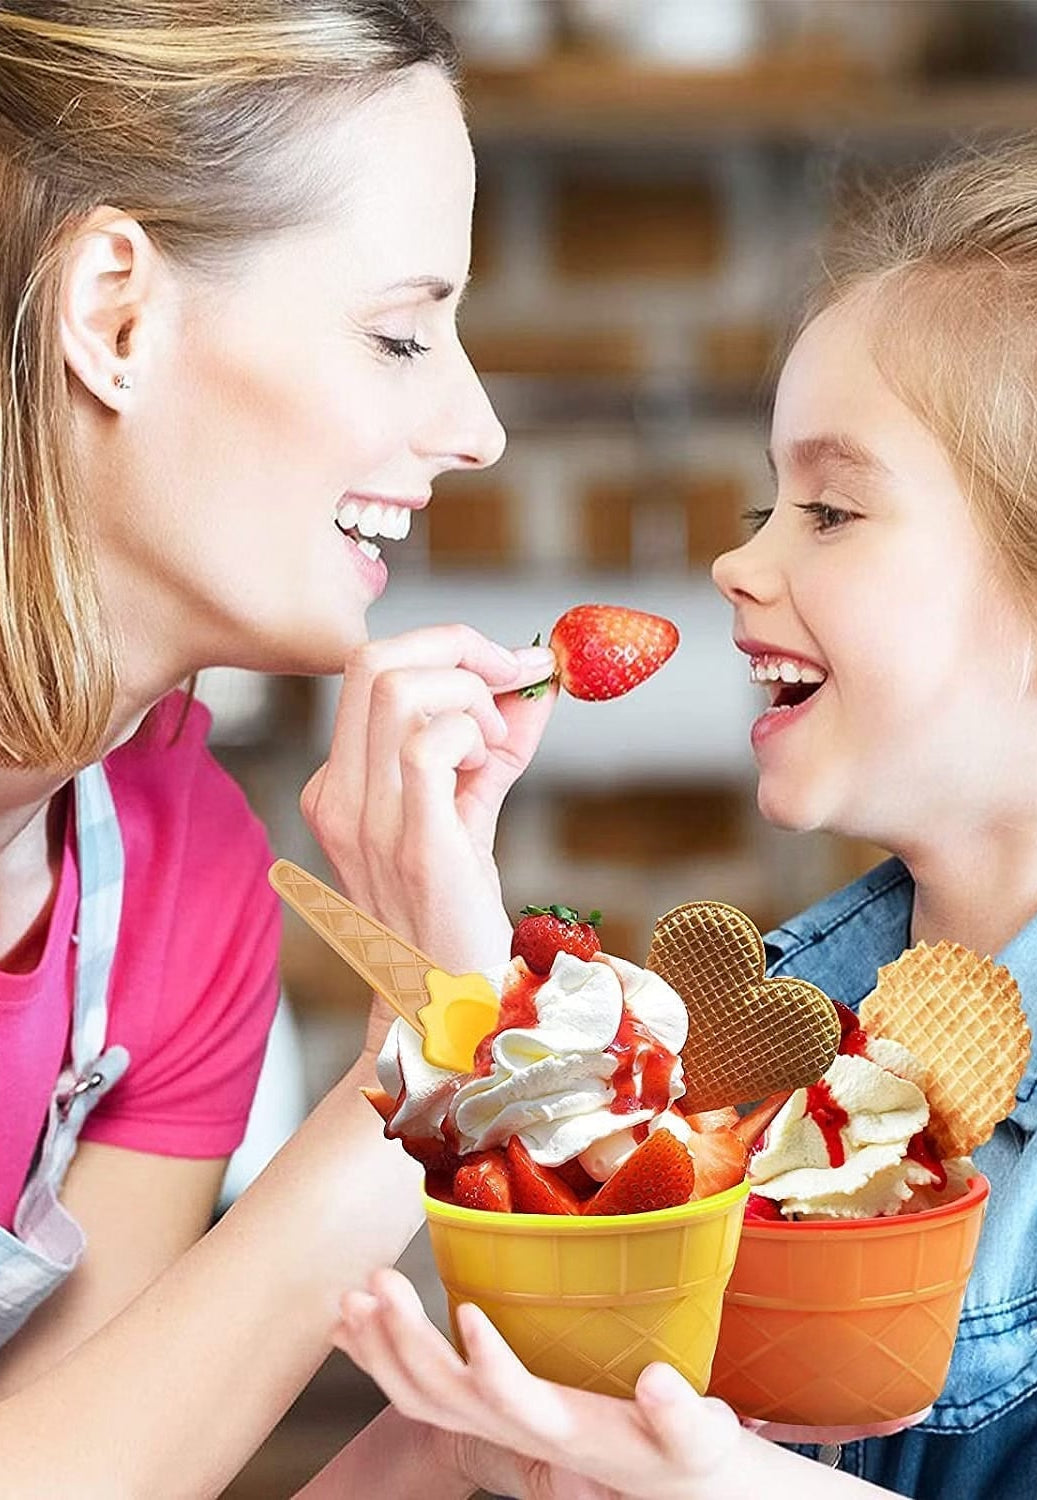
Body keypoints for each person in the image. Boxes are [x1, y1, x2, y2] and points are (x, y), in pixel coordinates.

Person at [334, 133, 1037, 1499]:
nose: (734, 558)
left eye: (828, 510)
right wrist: (457, 952)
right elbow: (541, 1380)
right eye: (771, 500)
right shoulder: (764, 1024)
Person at [0, 4, 559, 1495]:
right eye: (397, 333)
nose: (475, 424)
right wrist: (426, 1075)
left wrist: (501, 1436)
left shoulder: (174, 878)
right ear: (115, 317)